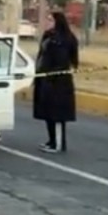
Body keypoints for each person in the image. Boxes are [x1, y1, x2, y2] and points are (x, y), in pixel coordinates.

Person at [33, 11, 79, 153]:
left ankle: (58, 144)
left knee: (57, 114)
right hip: (44, 80)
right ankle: (51, 140)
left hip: (59, 82)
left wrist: (52, 74)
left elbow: (68, 60)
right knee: (48, 113)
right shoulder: (48, 37)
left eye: (50, 20)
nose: (47, 22)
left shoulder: (65, 39)